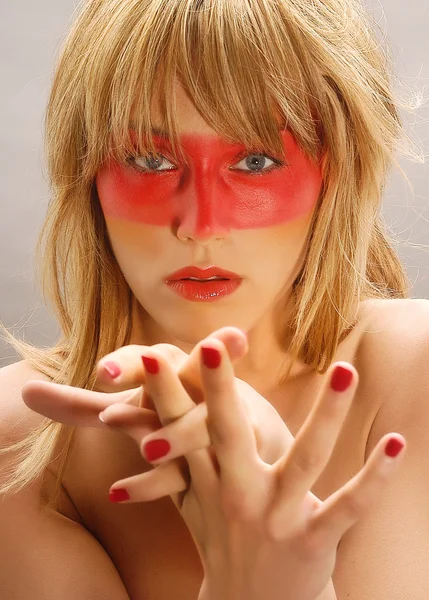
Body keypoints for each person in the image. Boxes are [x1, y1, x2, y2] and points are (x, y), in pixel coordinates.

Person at [0, 0, 428, 598]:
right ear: (86, 174)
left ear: (339, 172)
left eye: (256, 160)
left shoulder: (416, 377)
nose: (201, 226)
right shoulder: (19, 445)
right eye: (150, 159)